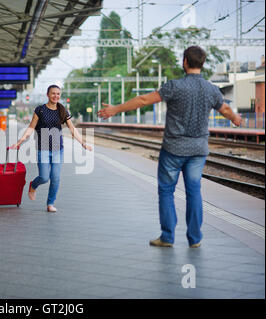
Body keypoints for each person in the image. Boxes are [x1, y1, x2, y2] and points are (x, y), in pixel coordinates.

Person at [98, 46, 242, 248]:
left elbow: (143, 99)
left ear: (185, 62)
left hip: (173, 149)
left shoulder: (174, 86)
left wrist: (115, 109)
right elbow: (225, 109)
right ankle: (195, 239)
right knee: (194, 191)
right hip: (197, 150)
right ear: (202, 63)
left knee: (166, 191)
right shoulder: (212, 90)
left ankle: (167, 237)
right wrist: (235, 117)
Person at [10, 85, 93, 212]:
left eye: (58, 94)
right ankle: (33, 185)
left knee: (55, 178)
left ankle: (50, 203)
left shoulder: (63, 110)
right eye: (53, 93)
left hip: (57, 149)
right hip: (42, 148)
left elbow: (72, 129)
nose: (56, 96)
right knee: (44, 177)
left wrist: (83, 143)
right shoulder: (40, 110)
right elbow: (31, 127)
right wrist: (20, 141)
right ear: (47, 95)